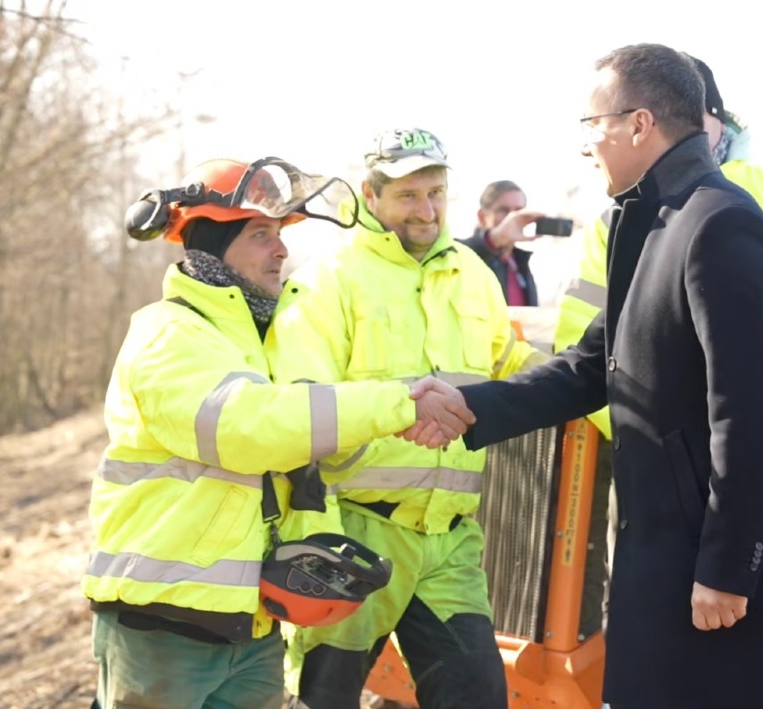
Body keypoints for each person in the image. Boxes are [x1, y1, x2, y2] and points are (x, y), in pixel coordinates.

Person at [419, 44, 763, 708]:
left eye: (593, 124)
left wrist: (730, 570)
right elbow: (592, 366)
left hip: (727, 582)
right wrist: (471, 405)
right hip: (668, 560)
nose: (586, 144)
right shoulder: (640, 225)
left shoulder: (723, 224)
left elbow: (752, 417)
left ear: (640, 124)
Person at [83, 156, 475, 709]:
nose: (282, 251)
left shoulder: (260, 340)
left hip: (252, 628)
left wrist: (323, 552)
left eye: (281, 235)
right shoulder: (169, 334)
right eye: (261, 235)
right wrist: (397, 402)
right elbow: (249, 428)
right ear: (212, 249)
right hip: (162, 627)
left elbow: (293, 463)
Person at [266, 128, 549, 709]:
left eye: (436, 193)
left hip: (450, 544)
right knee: (325, 701)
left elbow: (512, 364)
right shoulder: (328, 280)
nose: (426, 211)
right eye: (408, 196)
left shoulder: (474, 274)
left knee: (479, 697)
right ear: (371, 197)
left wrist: (607, 390)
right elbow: (299, 405)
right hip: (351, 540)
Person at [556, 55, 763, 488]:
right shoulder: (614, 223)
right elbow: (584, 347)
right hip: (657, 477)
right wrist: (659, 443)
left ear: (714, 119)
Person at [458, 180, 545, 306]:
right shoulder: (463, 255)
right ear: (482, 217)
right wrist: (495, 239)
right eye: (504, 210)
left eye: (518, 211)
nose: (512, 218)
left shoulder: (519, 263)